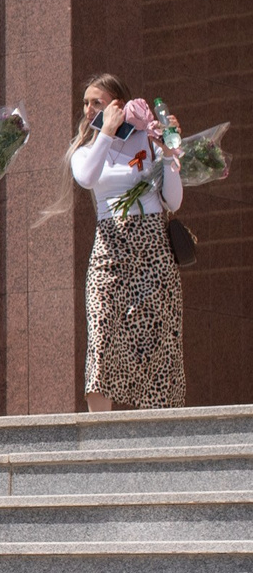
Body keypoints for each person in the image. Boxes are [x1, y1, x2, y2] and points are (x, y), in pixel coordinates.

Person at [67, 75, 187, 410]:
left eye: (97, 103)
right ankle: (100, 440)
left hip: (153, 246)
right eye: (86, 103)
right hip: (109, 247)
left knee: (156, 339)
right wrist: (105, 131)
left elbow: (173, 201)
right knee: (102, 332)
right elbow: (86, 177)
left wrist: (167, 152)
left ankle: (158, 432)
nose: (89, 110)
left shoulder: (147, 142)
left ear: (119, 104)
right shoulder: (87, 149)